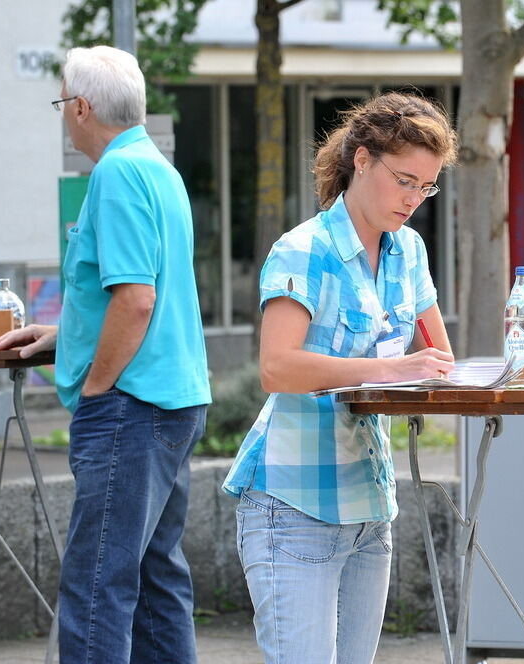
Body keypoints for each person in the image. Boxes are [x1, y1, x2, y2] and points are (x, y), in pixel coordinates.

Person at [0, 46, 211, 663]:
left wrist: (94, 387)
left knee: (94, 585)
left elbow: (136, 300)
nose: (65, 116)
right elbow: (148, 294)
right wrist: (67, 336)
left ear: (82, 107)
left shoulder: (115, 174)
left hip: (129, 405)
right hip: (174, 399)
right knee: (157, 578)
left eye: (64, 104)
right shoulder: (159, 169)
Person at [221, 92, 457, 664]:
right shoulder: (304, 250)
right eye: (404, 180)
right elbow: (277, 367)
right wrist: (390, 367)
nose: (413, 200)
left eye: (426, 188)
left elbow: (438, 356)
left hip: (369, 506)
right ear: (362, 159)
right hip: (292, 503)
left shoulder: (410, 251)